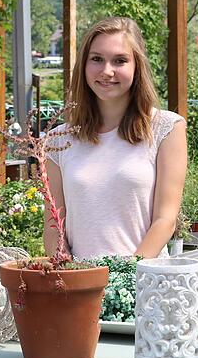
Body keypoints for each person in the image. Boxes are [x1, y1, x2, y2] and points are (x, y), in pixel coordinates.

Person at [44, 17, 187, 260]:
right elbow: (53, 225)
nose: (107, 71)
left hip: (145, 283)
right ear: (84, 66)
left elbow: (166, 220)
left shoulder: (166, 129)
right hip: (81, 286)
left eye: (120, 60)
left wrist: (128, 276)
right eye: (97, 59)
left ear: (137, 67)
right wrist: (70, 276)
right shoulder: (58, 140)